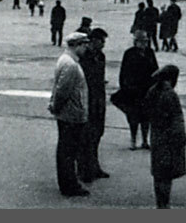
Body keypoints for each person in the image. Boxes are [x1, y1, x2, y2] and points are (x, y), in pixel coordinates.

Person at [48, 32, 90, 197]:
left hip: (68, 113)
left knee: (66, 150)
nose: (86, 48)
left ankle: (68, 183)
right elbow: (62, 91)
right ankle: (69, 185)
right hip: (70, 115)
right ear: (77, 45)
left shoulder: (66, 60)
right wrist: (56, 107)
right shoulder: (71, 65)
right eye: (84, 45)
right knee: (68, 152)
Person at [146, 65, 186, 209]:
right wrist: (181, 141)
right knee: (167, 175)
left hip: (156, 137)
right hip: (169, 139)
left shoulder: (153, 91)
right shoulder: (170, 94)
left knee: (158, 173)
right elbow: (177, 118)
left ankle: (160, 203)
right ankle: (164, 204)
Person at [115, 30, 158, 150]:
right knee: (133, 117)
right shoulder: (129, 53)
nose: (144, 44)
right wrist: (124, 87)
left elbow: (155, 69)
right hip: (132, 91)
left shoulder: (150, 53)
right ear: (136, 42)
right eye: (142, 41)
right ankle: (133, 140)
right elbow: (123, 72)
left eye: (145, 41)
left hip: (147, 90)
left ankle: (145, 140)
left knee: (146, 117)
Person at [78, 28, 110, 183]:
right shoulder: (84, 57)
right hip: (88, 100)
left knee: (98, 134)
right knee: (86, 137)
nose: (103, 44)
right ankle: (84, 170)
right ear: (93, 40)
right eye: (101, 40)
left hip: (99, 100)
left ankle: (95, 166)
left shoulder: (100, 56)